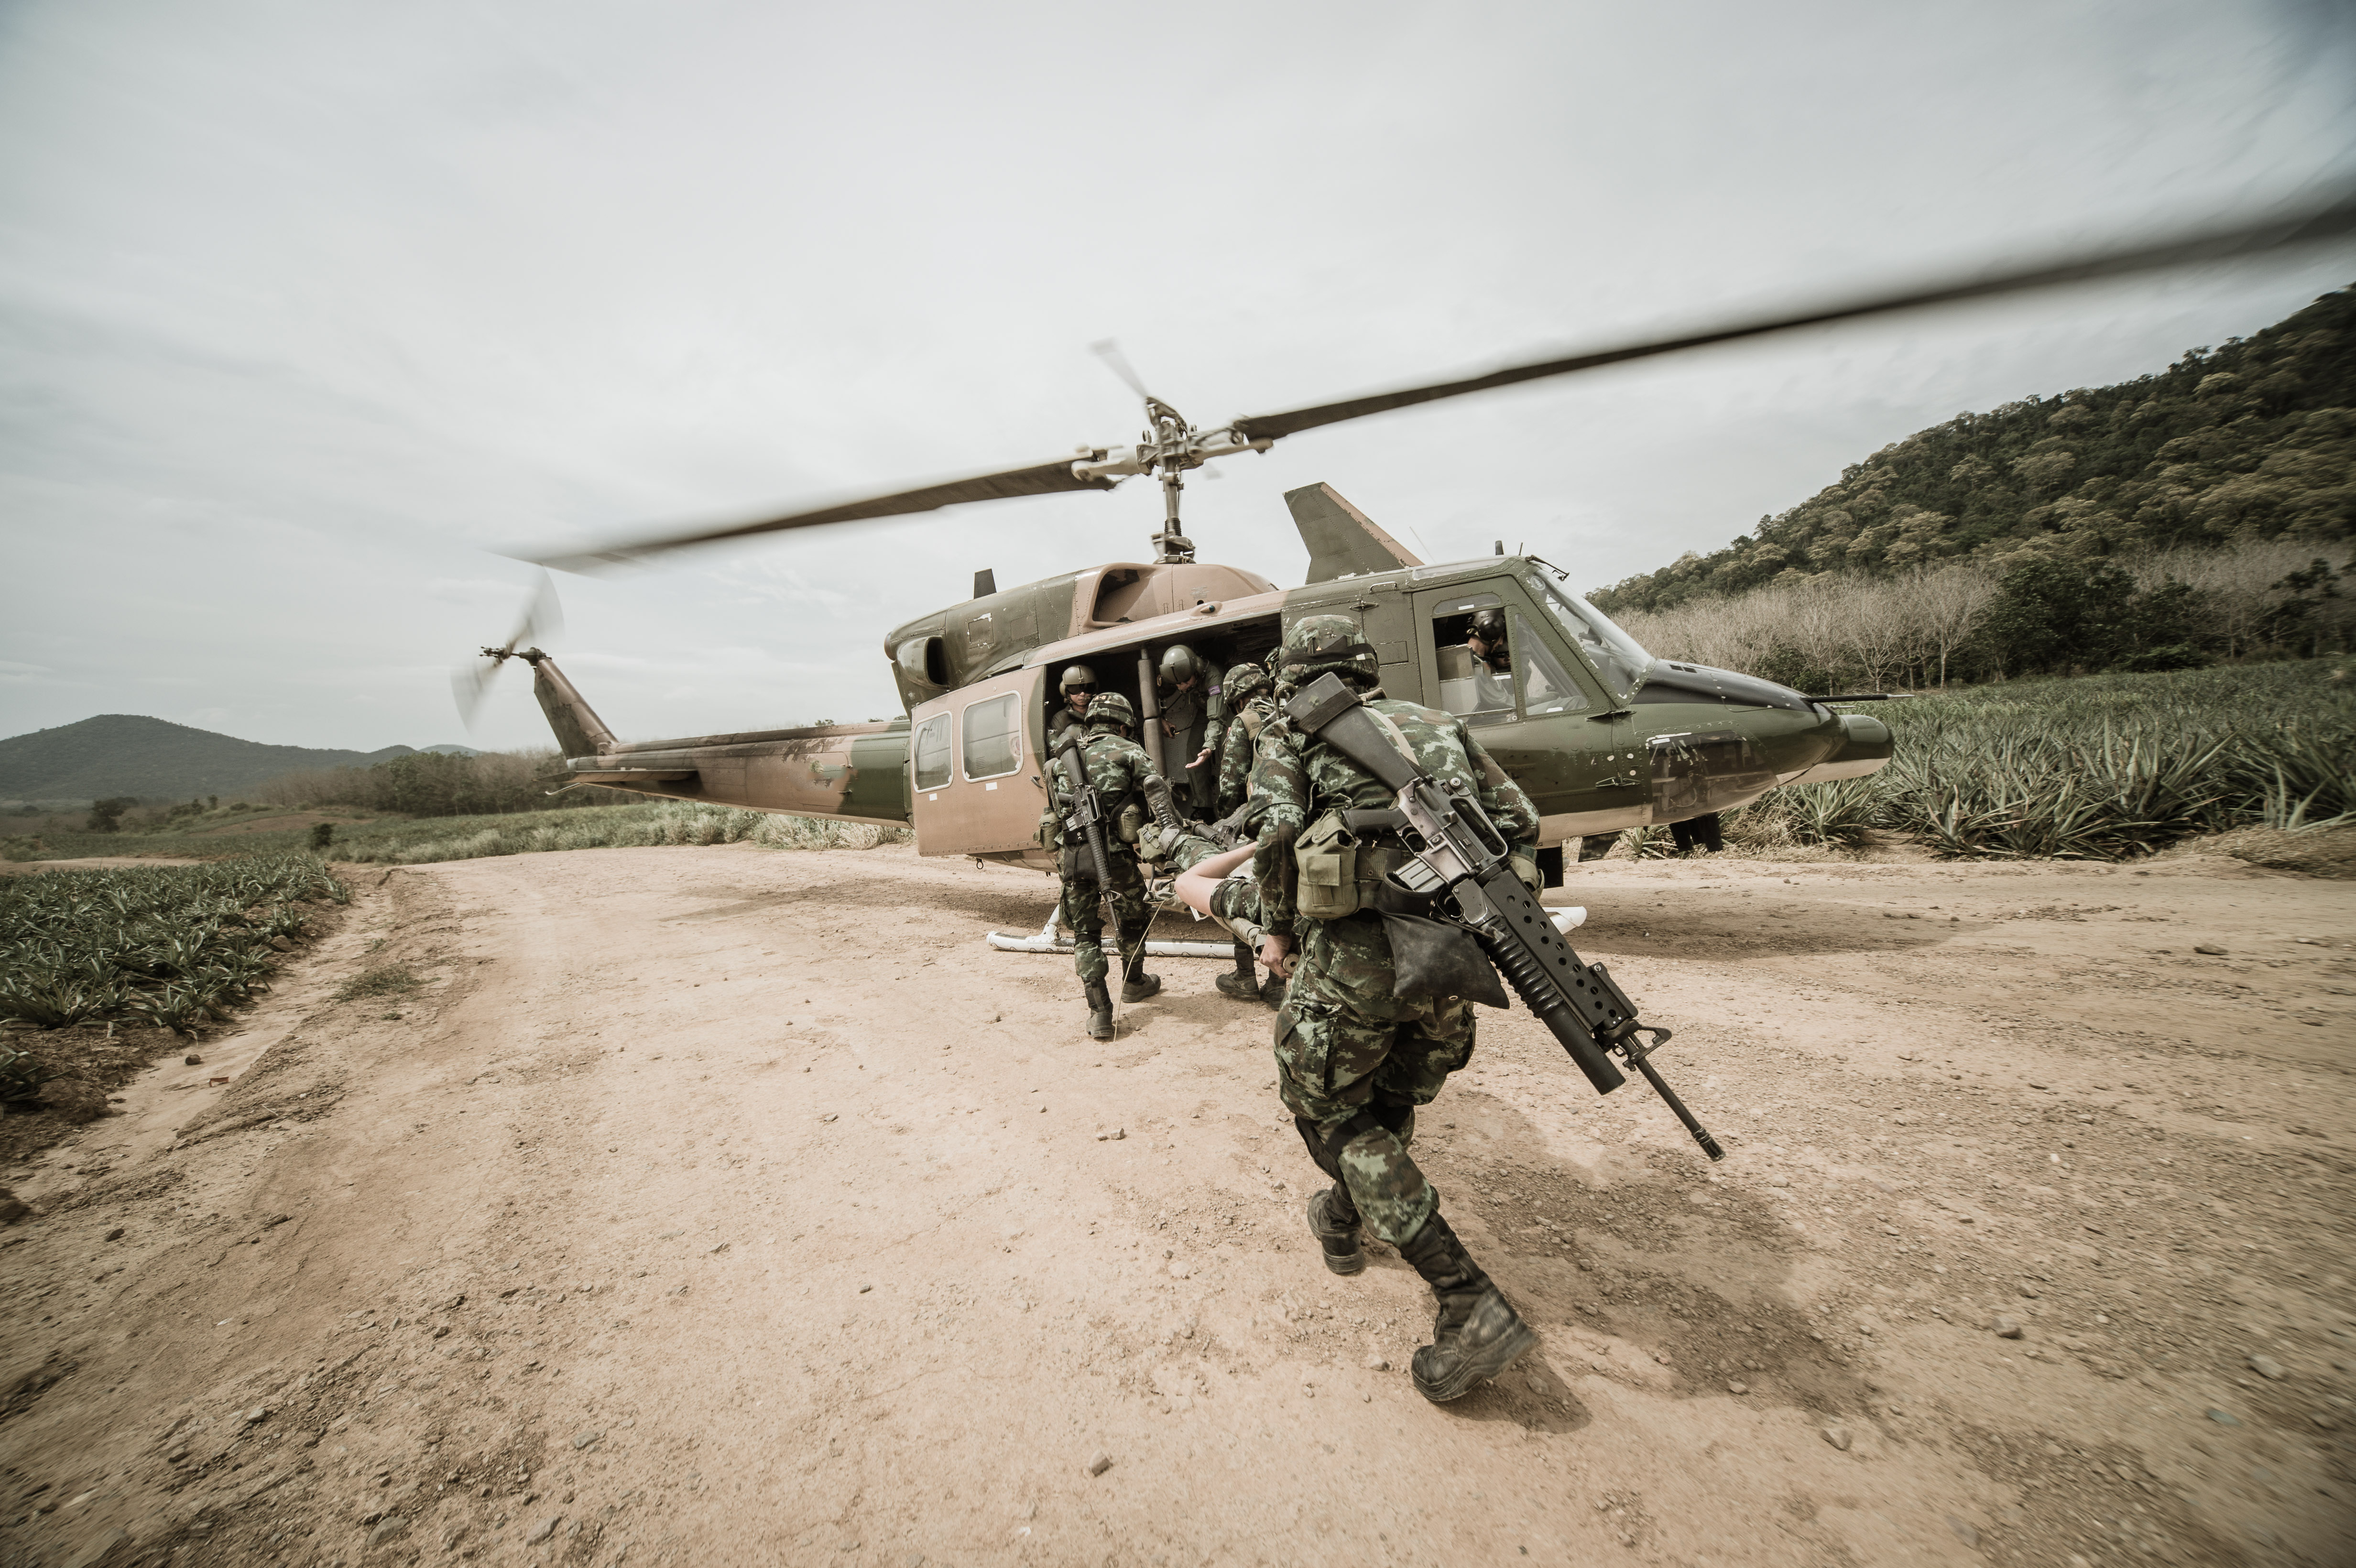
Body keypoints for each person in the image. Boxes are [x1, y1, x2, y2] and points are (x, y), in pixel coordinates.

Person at [1248, 613, 1546, 1403]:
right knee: (1388, 1098)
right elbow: (1521, 824)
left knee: (1327, 1109)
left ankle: (1465, 1298)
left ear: (1294, 680)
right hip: (1451, 960)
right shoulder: (1438, 725)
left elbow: (1276, 838)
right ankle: (1342, 1220)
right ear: (1367, 669)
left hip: (1357, 964)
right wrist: (1492, 911)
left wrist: (1276, 931)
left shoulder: (1293, 735)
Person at [1049, 691, 1162, 1040]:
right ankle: (1134, 982)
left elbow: (1055, 812)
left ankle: (1099, 1012)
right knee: (1133, 919)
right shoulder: (1129, 751)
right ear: (1123, 724)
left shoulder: (1061, 762)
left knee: (1085, 933)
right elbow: (1158, 796)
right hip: (1116, 858)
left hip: (1075, 857)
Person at [1209, 659, 1282, 1006]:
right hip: (1291, 822)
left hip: (1254, 826)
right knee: (1281, 893)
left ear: (1236, 696)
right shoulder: (1289, 710)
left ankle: (1245, 977)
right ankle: (1279, 982)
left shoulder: (1246, 722)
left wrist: (1229, 823)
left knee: (1240, 891)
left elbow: (1231, 784)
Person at [1156, 644, 1216, 817]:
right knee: (1193, 750)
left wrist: (1210, 746)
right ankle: (1204, 808)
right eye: (1178, 683)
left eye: (1186, 681)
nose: (1182, 686)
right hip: (1204, 712)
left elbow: (1217, 718)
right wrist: (1160, 719)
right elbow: (1152, 695)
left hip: (1220, 711)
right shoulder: (1176, 676)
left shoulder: (1213, 678)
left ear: (1195, 671)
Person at [1046, 663, 1098, 745]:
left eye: (1088, 688)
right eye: (1075, 689)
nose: (1082, 694)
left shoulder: (1101, 712)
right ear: (1066, 692)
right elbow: (1055, 746)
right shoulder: (1060, 719)